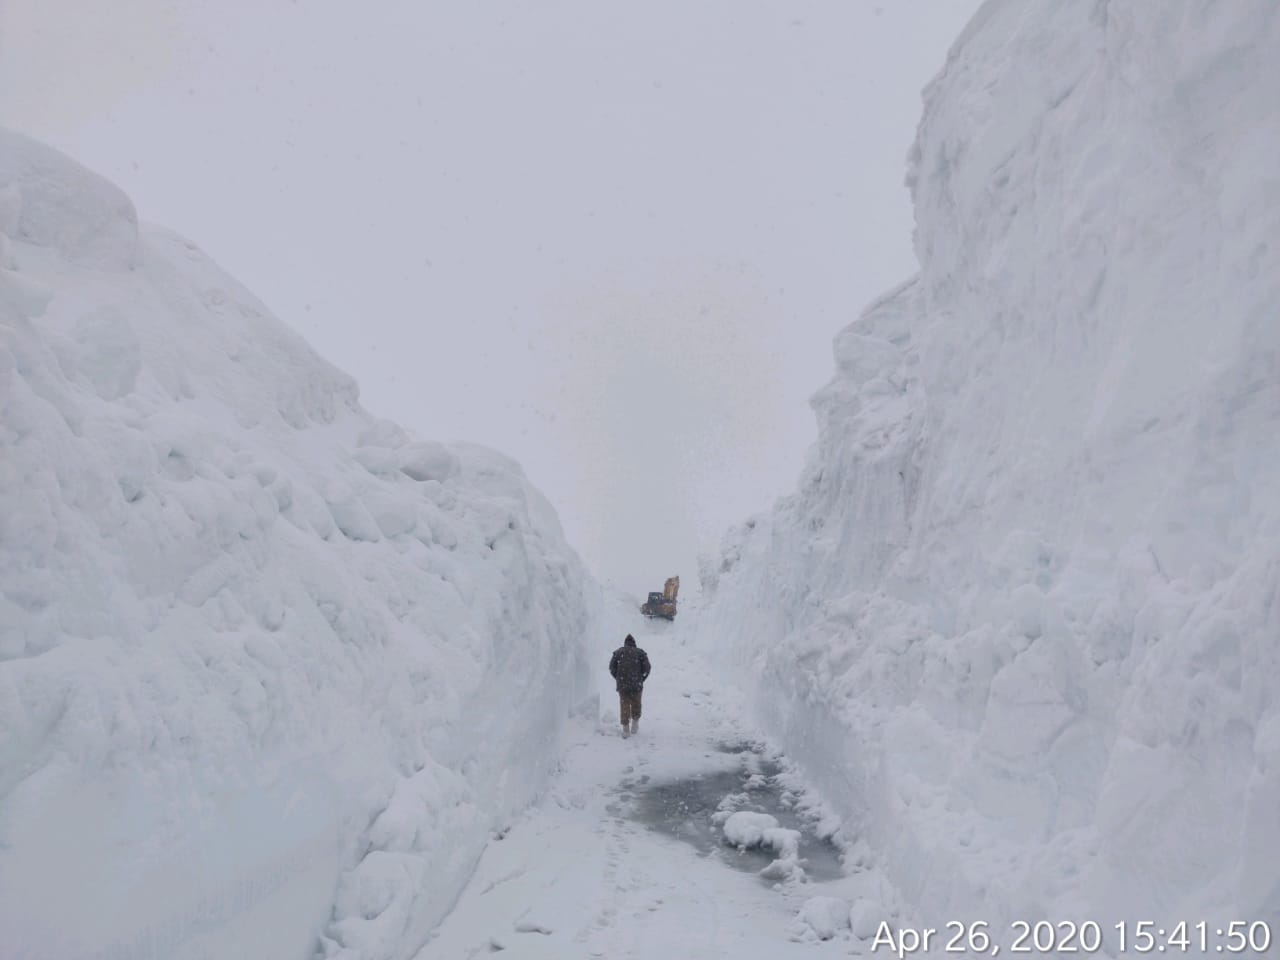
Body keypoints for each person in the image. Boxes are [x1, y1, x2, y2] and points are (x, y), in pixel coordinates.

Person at [608, 634, 650, 738]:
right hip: (637, 684)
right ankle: (635, 724)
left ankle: (626, 729)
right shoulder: (640, 653)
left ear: (625, 643)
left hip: (623, 684)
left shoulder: (618, 652)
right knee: (636, 703)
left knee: (624, 705)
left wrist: (618, 677)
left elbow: (611, 667)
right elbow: (647, 668)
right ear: (634, 644)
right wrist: (641, 678)